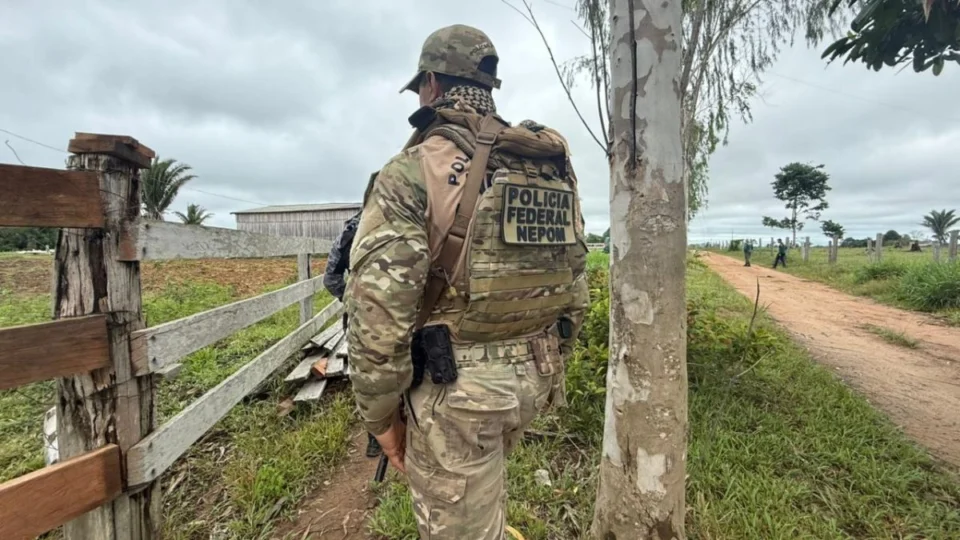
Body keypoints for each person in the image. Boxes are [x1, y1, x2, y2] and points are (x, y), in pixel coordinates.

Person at [344, 24, 589, 540]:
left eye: (419, 89)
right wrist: (551, 359)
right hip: (536, 374)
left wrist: (380, 418)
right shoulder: (544, 166)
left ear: (431, 85)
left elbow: (378, 316)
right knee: (483, 497)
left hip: (459, 393)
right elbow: (575, 275)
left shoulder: (414, 169)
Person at [322, 211, 383, 459]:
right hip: (404, 312)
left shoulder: (352, 229)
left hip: (362, 317)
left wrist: (350, 301)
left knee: (366, 376)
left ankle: (375, 437)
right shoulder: (410, 219)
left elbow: (331, 278)